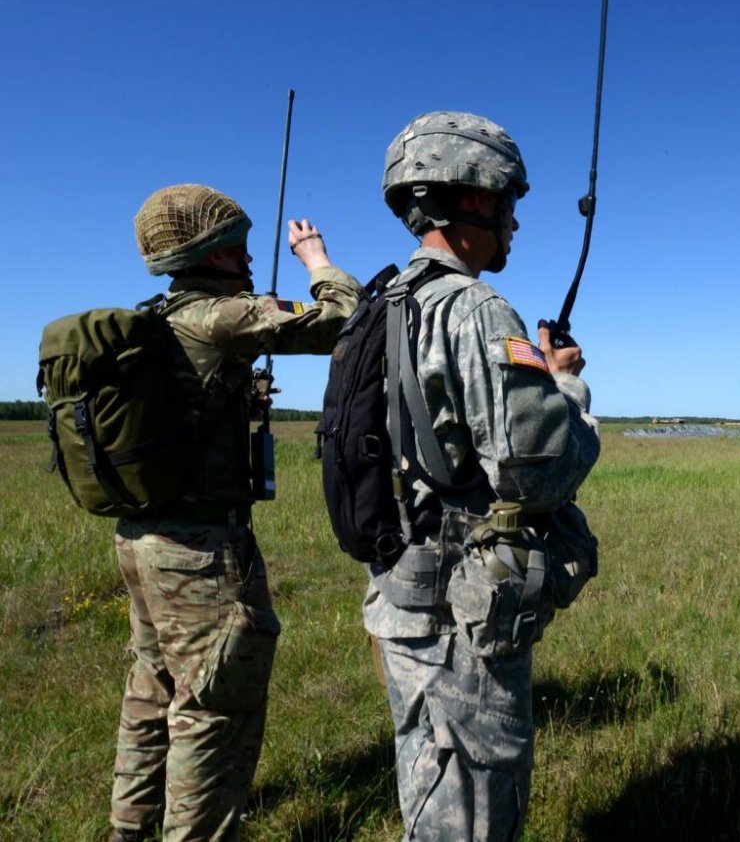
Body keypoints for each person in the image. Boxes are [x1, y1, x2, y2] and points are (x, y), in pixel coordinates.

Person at [349, 110, 599, 840]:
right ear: (472, 199)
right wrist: (569, 389)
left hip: (400, 592)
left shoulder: (388, 301)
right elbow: (540, 471)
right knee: (473, 814)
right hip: (461, 615)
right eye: (508, 204)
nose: (515, 223)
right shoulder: (477, 309)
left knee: (426, 780)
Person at [111, 184, 362, 842]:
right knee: (214, 712)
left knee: (152, 694)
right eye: (238, 246)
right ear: (212, 253)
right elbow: (343, 316)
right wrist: (317, 260)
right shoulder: (220, 318)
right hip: (198, 553)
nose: (249, 258)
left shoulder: (160, 319)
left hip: (143, 541)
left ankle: (129, 830)